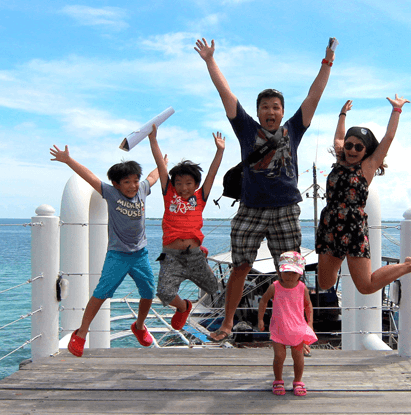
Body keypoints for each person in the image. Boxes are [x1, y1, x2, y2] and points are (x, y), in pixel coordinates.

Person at [194, 37, 335, 341]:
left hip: (285, 209)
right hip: (251, 209)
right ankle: (228, 324)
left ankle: (297, 328)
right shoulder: (245, 128)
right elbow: (225, 93)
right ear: (257, 112)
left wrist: (327, 61)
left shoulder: (293, 129)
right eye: (265, 107)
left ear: (282, 111)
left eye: (275, 107)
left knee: (291, 273)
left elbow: (315, 94)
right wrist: (209, 61)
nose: (270, 111)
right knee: (239, 267)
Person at [50, 144, 164, 356]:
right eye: (126, 182)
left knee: (148, 291)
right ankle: (81, 333)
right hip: (118, 255)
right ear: (116, 184)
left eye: (135, 180)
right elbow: (90, 176)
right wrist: (68, 160)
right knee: (101, 293)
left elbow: (153, 176)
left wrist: (162, 164)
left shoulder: (142, 189)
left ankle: (139, 327)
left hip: (140, 254)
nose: (132, 185)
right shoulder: (110, 193)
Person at [315, 98, 411, 293]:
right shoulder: (340, 157)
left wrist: (396, 110)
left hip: (353, 227)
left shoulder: (367, 166)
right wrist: (342, 114)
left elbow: (388, 137)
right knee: (325, 283)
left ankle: (408, 266)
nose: (352, 149)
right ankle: (342, 257)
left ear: (366, 150)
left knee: (366, 286)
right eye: (349, 145)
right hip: (330, 224)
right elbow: (338, 136)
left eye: (359, 147)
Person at [147, 124, 225, 330]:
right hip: (171, 256)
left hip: (195, 256)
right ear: (173, 184)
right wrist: (153, 140)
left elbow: (211, 175)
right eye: (179, 183)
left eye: (188, 183)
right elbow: (161, 167)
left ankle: (204, 255)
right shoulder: (169, 194)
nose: (183, 188)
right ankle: (183, 307)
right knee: (164, 293)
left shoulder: (200, 197)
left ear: (196, 184)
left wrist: (220, 151)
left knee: (215, 289)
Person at [258, 251, 317, 397]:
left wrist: (309, 323)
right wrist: (260, 319)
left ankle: (298, 381)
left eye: (293, 272)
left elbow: (308, 305)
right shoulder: (275, 286)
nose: (289, 276)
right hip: (279, 327)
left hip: (297, 327)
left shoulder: (301, 287)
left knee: (298, 356)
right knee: (279, 356)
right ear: (279, 271)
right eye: (286, 272)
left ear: (300, 273)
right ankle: (278, 380)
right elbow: (264, 300)